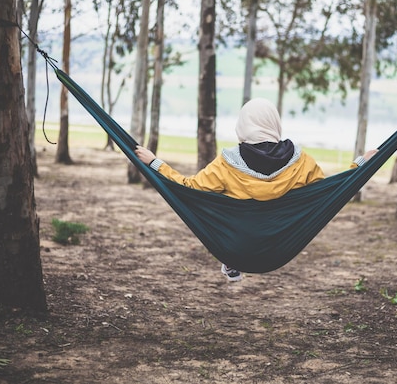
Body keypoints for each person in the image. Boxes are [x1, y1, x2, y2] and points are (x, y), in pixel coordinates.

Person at [135, 98, 377, 282]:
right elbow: (326, 194)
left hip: (235, 247)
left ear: (243, 125)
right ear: (274, 123)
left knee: (222, 201)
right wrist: (361, 165)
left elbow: (188, 188)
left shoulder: (227, 163)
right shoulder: (302, 162)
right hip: (278, 249)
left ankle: (231, 262)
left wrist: (155, 163)